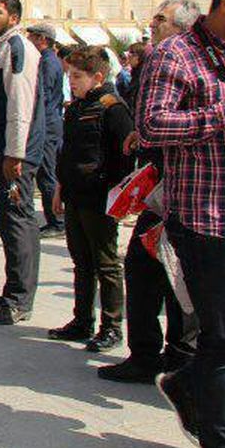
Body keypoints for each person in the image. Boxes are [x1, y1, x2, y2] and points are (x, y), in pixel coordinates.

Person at [137, 0, 225, 448]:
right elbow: (151, 125)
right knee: (223, 339)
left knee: (219, 339)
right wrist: (220, 113)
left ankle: (187, 383)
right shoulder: (177, 55)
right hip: (206, 219)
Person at [100, 0, 202, 384]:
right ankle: (145, 355)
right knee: (143, 269)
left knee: (180, 277)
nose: (152, 23)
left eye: (160, 19)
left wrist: (153, 132)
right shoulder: (153, 63)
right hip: (157, 187)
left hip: (187, 190)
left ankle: (181, 358)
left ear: (182, 28)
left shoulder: (194, 67)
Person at [48, 46, 132, 352]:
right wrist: (60, 187)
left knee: (106, 264)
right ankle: (81, 321)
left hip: (100, 198)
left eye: (78, 76)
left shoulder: (113, 108)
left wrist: (116, 197)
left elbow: (124, 158)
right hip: (75, 194)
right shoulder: (76, 108)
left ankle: (111, 326)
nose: (72, 81)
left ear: (98, 76)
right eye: (70, 75)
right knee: (81, 263)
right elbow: (67, 153)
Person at [0, 0, 48, 325]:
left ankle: (20, 299)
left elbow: (21, 104)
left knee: (17, 220)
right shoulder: (1, 50)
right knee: (11, 221)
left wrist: (14, 153)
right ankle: (14, 288)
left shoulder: (18, 49)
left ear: (15, 18)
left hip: (13, 155)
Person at [26, 23, 66, 237]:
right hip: (48, 123)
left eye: (32, 36)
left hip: (48, 126)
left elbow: (44, 96)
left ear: (42, 39)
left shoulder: (49, 63)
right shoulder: (47, 61)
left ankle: (56, 222)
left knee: (47, 175)